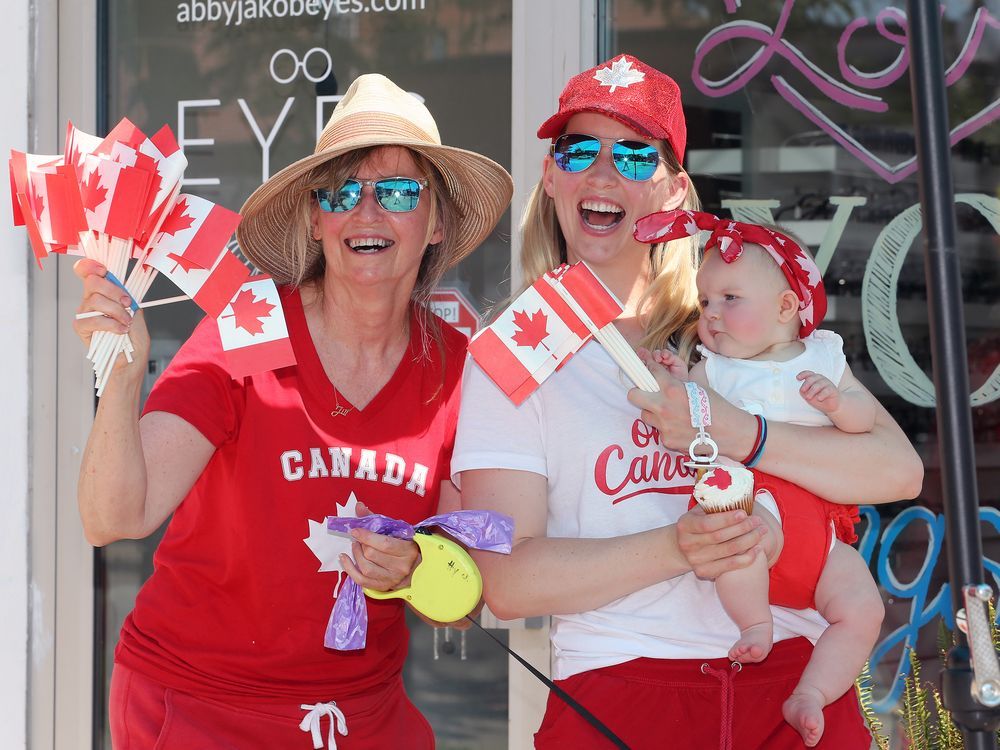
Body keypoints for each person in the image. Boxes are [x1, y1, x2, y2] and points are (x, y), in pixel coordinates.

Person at [453, 54, 922, 750]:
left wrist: (744, 434)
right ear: (551, 176)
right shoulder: (516, 352)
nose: (603, 173)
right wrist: (679, 547)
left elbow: (898, 472)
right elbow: (507, 583)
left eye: (635, 156)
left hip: (793, 689)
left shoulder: (731, 326)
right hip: (619, 693)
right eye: (578, 149)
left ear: (675, 191)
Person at [73, 73, 512, 749]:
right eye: (343, 192)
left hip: (361, 715)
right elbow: (113, 518)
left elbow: (462, 604)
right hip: (200, 709)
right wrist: (124, 377)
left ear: (437, 223)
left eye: (398, 191)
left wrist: (418, 568)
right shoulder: (248, 331)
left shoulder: (458, 367)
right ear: (316, 218)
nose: (368, 213)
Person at [636, 210, 885, 747]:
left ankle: (812, 693)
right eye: (704, 303)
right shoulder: (715, 366)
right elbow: (689, 412)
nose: (712, 315)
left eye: (730, 299)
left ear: (787, 307)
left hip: (821, 529)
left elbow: (867, 421)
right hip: (758, 503)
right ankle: (755, 624)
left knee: (864, 610)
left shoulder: (823, 356)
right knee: (739, 541)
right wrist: (678, 378)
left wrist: (840, 403)